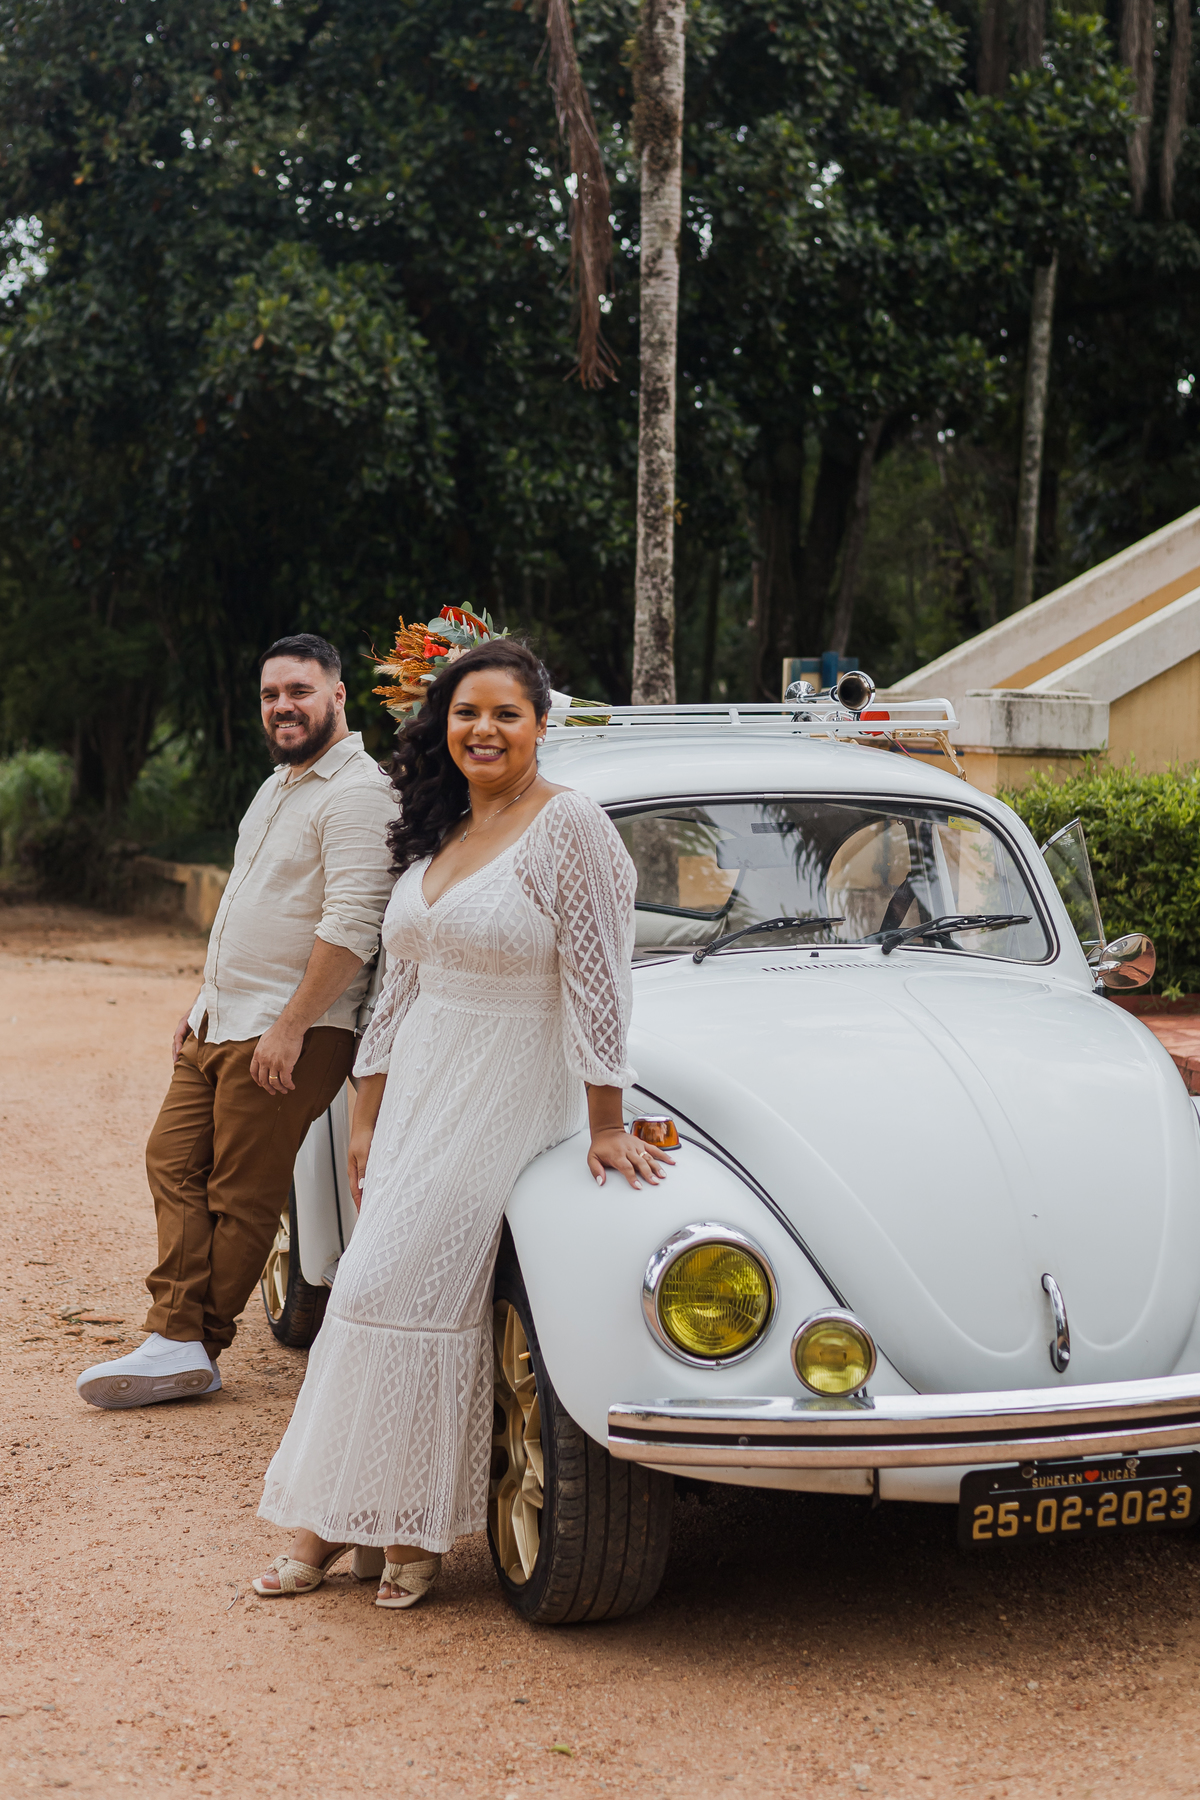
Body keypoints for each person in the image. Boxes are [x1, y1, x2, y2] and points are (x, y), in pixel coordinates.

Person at [251, 639, 673, 1607]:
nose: (483, 730)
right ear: (445, 725)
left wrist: (607, 1121)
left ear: (539, 725)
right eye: (467, 713)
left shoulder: (572, 830)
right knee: (373, 1293)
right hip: (417, 1099)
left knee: (395, 1291)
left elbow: (600, 984)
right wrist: (365, 1114)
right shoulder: (440, 828)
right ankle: (359, 1525)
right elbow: (399, 984)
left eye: (505, 715)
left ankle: (377, 1533)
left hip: (510, 1089)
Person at [77, 633, 397, 1410]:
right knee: (171, 1160)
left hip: (295, 1031)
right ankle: (176, 1335)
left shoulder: (359, 792)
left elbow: (353, 924)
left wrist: (290, 1026)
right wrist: (201, 1000)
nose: (283, 706)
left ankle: (190, 1342)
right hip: (225, 1018)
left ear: (338, 696)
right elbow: (246, 906)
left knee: (242, 1192)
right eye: (270, 695)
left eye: (299, 690)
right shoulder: (279, 785)